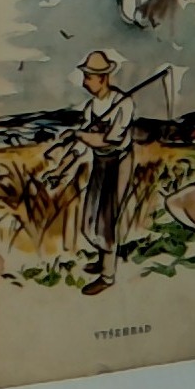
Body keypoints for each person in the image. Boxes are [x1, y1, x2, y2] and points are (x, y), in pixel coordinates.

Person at [67, 50, 135, 296]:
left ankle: (107, 275)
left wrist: (79, 135)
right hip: (100, 162)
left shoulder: (123, 104)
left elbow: (108, 140)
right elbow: (84, 143)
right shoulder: (91, 107)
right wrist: (67, 159)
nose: (84, 82)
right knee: (90, 216)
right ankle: (102, 258)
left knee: (106, 217)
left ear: (103, 78)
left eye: (88, 77)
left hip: (118, 163)